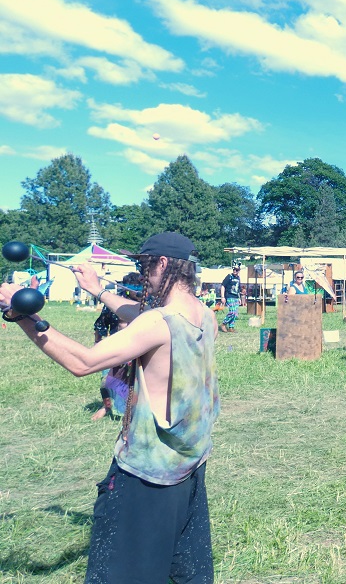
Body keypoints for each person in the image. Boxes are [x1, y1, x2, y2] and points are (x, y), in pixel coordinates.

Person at [0, 231, 219, 582]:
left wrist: (20, 313)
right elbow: (143, 315)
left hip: (146, 473)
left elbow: (83, 363)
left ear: (162, 264)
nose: (143, 273)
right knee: (182, 568)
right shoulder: (203, 314)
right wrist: (96, 289)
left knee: (123, 572)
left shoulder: (157, 322)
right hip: (188, 463)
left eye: (144, 265)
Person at [90, 272, 143, 421]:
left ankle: (132, 409)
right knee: (107, 380)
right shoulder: (114, 303)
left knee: (135, 380)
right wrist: (97, 343)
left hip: (138, 347)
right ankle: (106, 407)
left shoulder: (147, 303)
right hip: (114, 346)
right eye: (135, 288)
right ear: (126, 288)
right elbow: (100, 325)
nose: (138, 292)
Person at [220, 260, 242, 332]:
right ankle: (223, 323)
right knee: (232, 311)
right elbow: (223, 286)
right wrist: (222, 297)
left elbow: (238, 289)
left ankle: (231, 327)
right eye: (234, 269)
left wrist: (239, 298)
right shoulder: (229, 276)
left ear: (239, 270)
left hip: (236, 297)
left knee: (235, 313)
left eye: (236, 270)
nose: (235, 271)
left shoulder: (238, 278)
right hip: (229, 296)